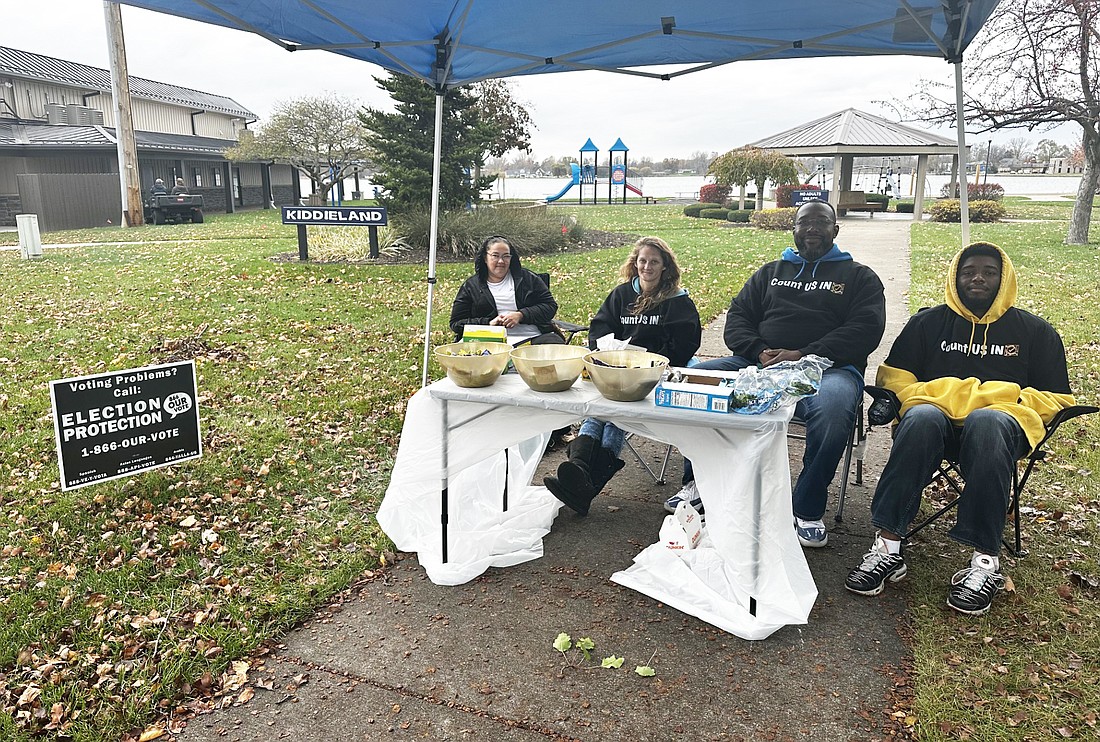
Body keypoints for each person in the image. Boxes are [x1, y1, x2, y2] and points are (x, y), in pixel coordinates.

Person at [845, 242, 1074, 615]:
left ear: (1005, 278)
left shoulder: (1034, 331)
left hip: (999, 432)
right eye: (969, 271)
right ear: (955, 277)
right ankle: (887, 549)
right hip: (934, 427)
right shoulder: (928, 323)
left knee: (988, 421)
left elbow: (1055, 395)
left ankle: (985, 563)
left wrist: (994, 403)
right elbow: (895, 379)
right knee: (920, 417)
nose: (978, 278)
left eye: (988, 271)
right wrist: (950, 396)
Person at [670, 200, 885, 548]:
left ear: (835, 230)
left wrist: (803, 353)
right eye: (804, 223)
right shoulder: (771, 272)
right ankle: (699, 483)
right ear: (794, 229)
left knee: (834, 411)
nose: (812, 228)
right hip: (759, 366)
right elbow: (737, 317)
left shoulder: (859, 278)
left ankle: (806, 508)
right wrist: (756, 349)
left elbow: (865, 330)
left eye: (820, 222)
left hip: (827, 371)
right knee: (694, 384)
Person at [545, 236, 701, 516]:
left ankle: (584, 482)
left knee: (614, 414)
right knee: (600, 411)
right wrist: (607, 351)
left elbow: (687, 344)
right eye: (643, 260)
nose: (647, 266)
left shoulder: (677, 301)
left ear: (665, 266)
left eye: (654, 261)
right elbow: (599, 328)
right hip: (617, 370)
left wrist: (650, 360)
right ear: (635, 262)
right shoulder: (621, 295)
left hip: (655, 374)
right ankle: (581, 474)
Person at [449, 235, 565, 346]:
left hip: (532, 338)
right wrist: (488, 323)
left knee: (554, 349)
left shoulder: (528, 279)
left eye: (506, 256)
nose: (501, 261)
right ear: (485, 258)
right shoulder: (471, 286)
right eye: (495, 255)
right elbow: (456, 323)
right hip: (489, 340)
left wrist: (521, 315)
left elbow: (550, 306)